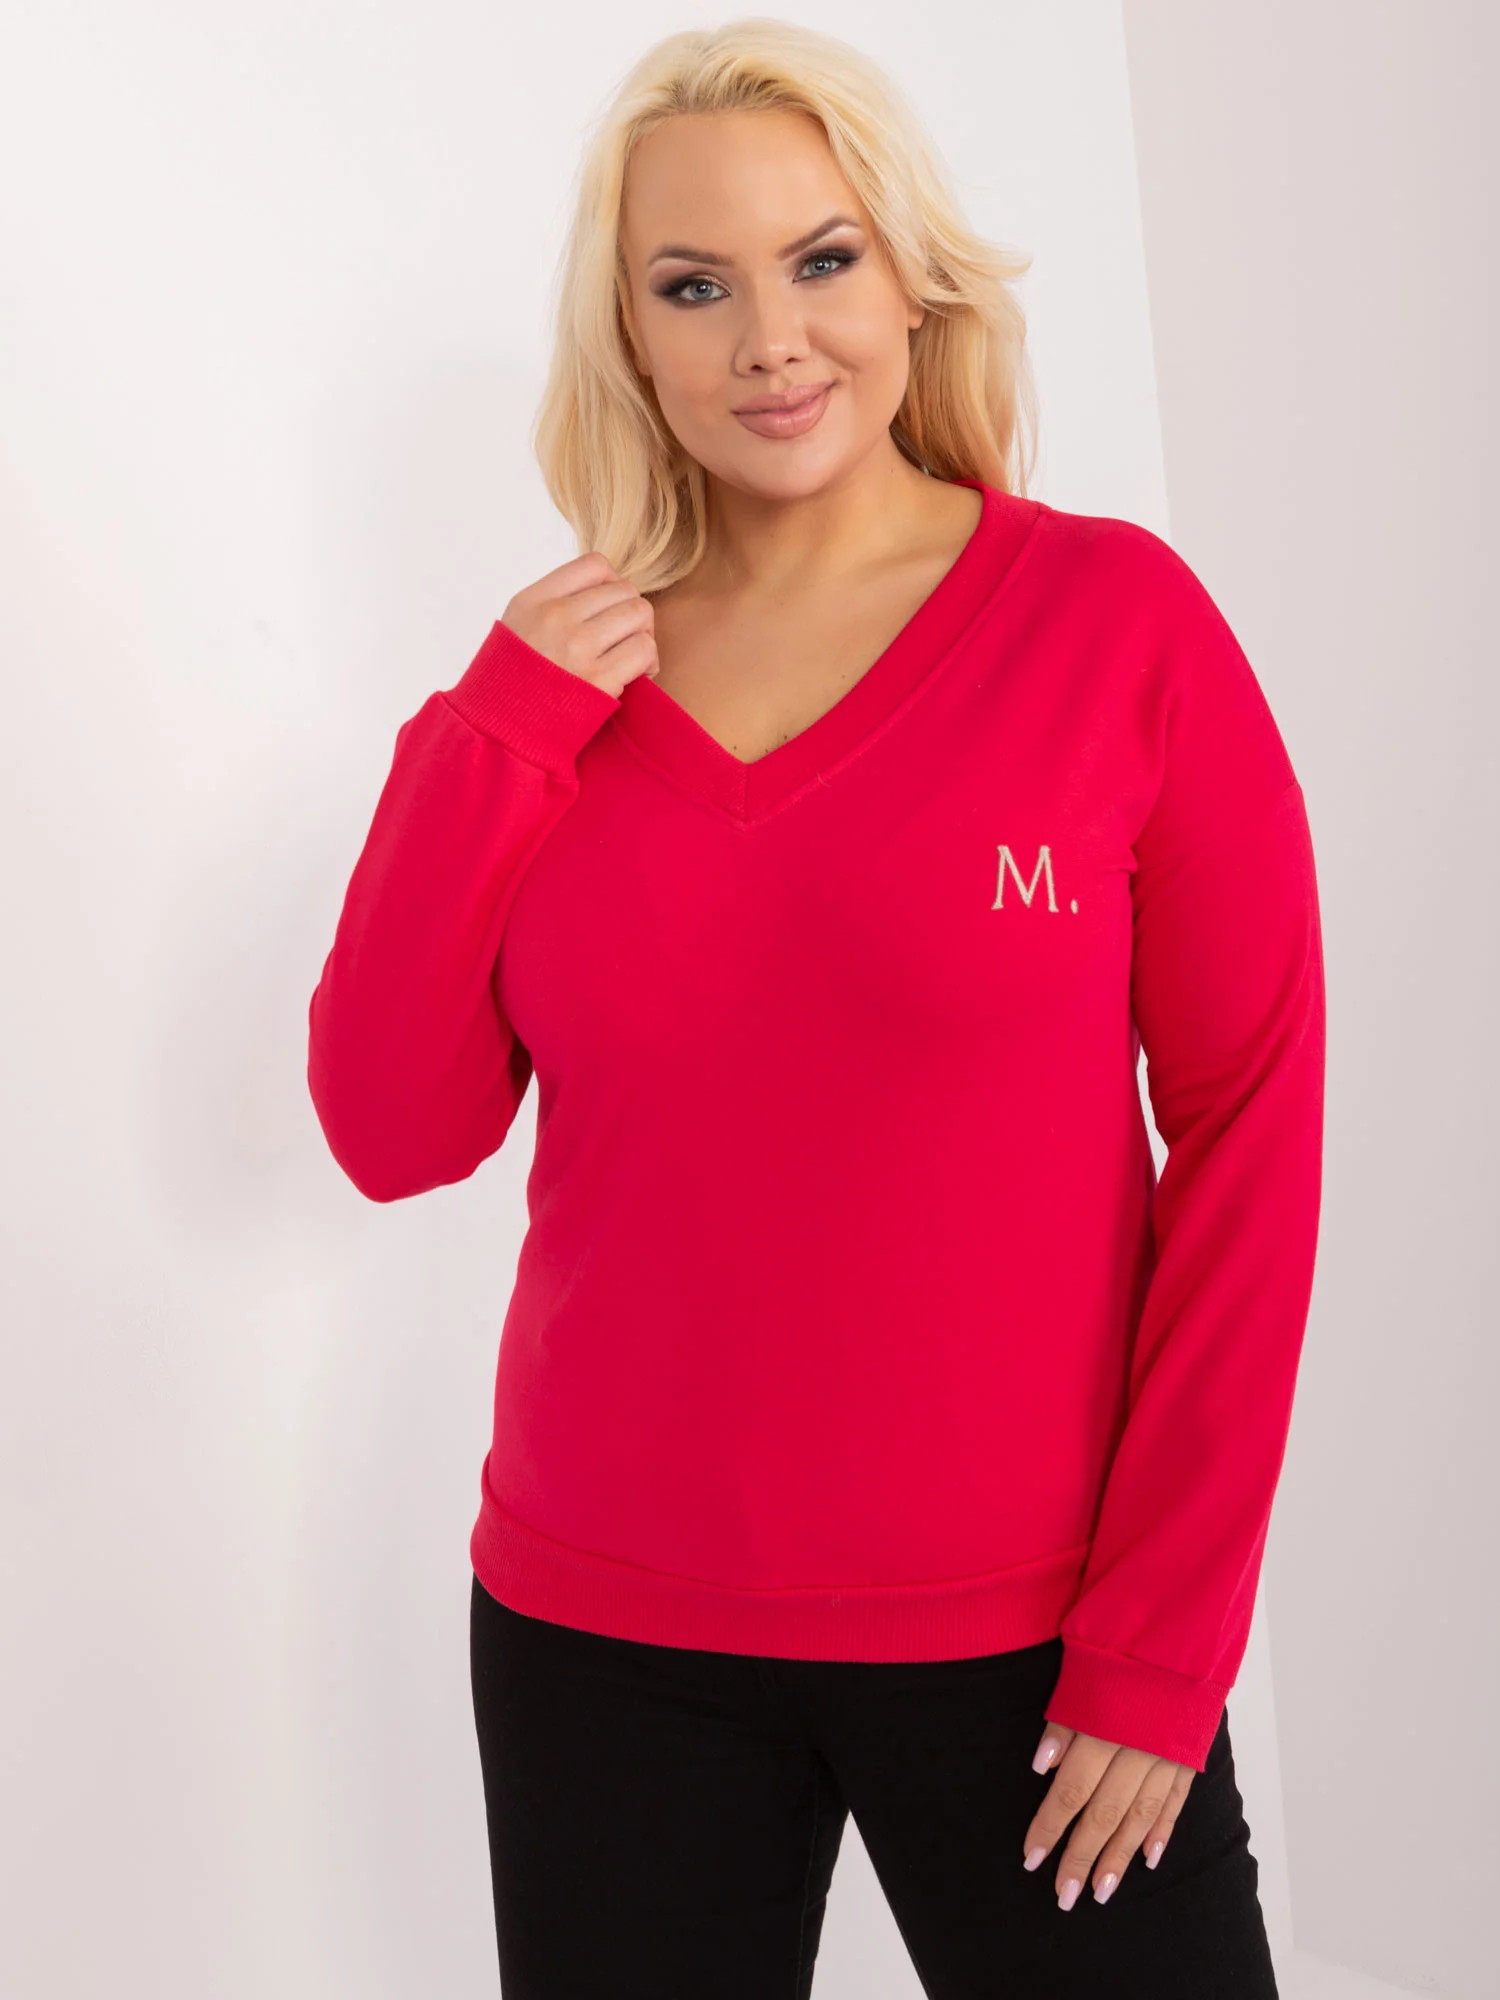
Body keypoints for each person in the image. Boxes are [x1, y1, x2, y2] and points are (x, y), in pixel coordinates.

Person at [306, 19, 1324, 1998]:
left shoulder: (1113, 626)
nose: (770, 340)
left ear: (910, 277)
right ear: (630, 333)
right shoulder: (561, 702)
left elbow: (1250, 1126)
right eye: (694, 285)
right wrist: (494, 731)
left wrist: (1162, 1642)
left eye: (822, 259)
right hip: (605, 1640)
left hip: (1040, 1649)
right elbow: (389, 1128)